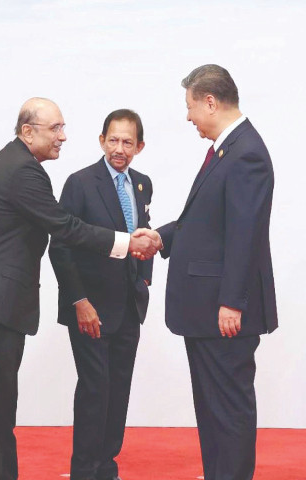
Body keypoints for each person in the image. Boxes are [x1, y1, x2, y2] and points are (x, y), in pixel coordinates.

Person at [0, 98, 162, 480]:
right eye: (56, 129)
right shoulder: (23, 171)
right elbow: (64, 229)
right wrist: (127, 244)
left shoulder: (17, 164)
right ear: (28, 132)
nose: (63, 137)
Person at [154, 64, 278, 480]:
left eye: (191, 106)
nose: (188, 117)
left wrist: (231, 302)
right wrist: (160, 238)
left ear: (210, 101)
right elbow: (207, 223)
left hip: (223, 313)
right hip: (207, 311)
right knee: (213, 410)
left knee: (227, 410)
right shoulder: (230, 149)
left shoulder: (247, 153)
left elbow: (245, 234)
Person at [49, 109, 152, 480]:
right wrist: (79, 301)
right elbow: (58, 247)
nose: (119, 149)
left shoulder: (142, 183)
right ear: (100, 140)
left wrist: (144, 282)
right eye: (113, 140)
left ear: (139, 146)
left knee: (118, 390)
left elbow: (143, 234)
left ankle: (107, 467)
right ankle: (85, 470)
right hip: (90, 308)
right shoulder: (80, 183)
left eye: (127, 142)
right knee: (95, 390)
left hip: (128, 307)